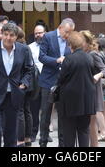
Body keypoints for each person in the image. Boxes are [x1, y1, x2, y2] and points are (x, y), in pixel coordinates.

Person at [38, 18, 75, 147]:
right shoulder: (48, 37)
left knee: (63, 114)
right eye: (66, 32)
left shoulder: (71, 40)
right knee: (46, 113)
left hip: (63, 82)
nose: (68, 35)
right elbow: (41, 57)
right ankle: (43, 140)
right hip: (48, 80)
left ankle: (62, 144)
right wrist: (57, 60)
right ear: (60, 28)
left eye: (70, 32)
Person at [57, 31, 96, 147]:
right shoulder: (89, 58)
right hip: (86, 102)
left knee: (69, 133)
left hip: (70, 103)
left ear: (70, 45)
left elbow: (60, 79)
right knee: (84, 131)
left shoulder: (68, 59)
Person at [80, 30, 105, 147]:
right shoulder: (83, 53)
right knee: (90, 121)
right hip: (86, 88)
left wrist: (97, 76)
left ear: (86, 42)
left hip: (94, 88)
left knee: (92, 120)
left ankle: (94, 145)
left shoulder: (93, 54)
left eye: (81, 41)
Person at [16, 28, 35, 147]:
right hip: (28, 83)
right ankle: (27, 138)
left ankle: (20, 139)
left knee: (20, 111)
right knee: (27, 110)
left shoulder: (20, 48)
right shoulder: (26, 46)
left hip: (22, 83)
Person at [28, 24, 46, 143]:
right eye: (36, 33)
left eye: (40, 32)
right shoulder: (29, 47)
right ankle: (33, 132)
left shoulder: (50, 46)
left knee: (46, 109)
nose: (38, 35)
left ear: (45, 33)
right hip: (35, 81)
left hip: (47, 80)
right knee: (34, 108)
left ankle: (45, 134)